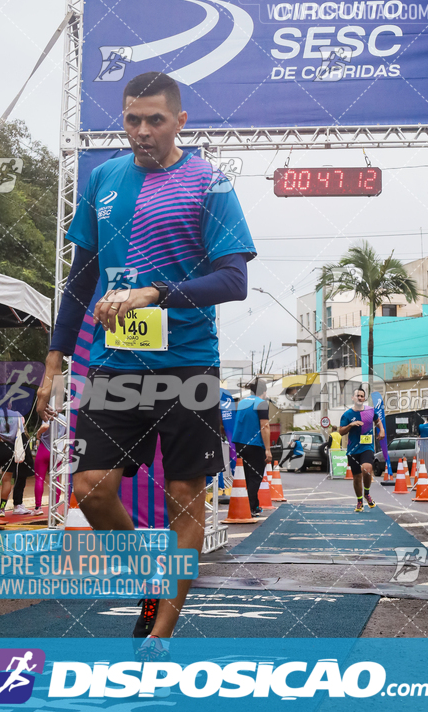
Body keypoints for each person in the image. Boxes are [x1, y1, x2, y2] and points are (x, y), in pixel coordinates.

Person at [37, 71, 256, 660]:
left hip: (187, 366)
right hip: (115, 367)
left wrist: (154, 292)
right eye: (132, 119)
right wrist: (54, 361)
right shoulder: (104, 177)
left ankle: (159, 637)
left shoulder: (210, 183)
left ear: (180, 121)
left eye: (155, 120)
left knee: (186, 497)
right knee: (89, 488)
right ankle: (152, 576)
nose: (141, 131)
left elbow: (233, 280)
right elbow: (81, 280)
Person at [339, 386, 385, 512]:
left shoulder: (370, 410)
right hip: (353, 450)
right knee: (357, 477)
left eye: (362, 396)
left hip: (367, 446)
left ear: (364, 398)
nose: (359, 397)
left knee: (367, 469)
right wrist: (350, 425)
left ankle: (367, 493)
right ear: (353, 398)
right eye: (357, 395)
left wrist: (381, 429)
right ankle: (359, 501)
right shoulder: (347, 414)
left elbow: (378, 420)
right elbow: (341, 431)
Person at [232, 379, 272, 516]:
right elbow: (265, 426)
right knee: (255, 476)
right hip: (254, 444)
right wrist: (268, 449)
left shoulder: (242, 402)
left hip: (239, 443)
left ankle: (254, 506)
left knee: (247, 476)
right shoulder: (262, 403)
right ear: (264, 391)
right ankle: (249, 507)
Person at [33, 415, 66, 515]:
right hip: (57, 451)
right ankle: (55, 508)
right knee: (56, 479)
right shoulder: (64, 418)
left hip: (44, 449)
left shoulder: (47, 415)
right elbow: (69, 435)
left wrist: (38, 434)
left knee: (39, 479)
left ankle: (38, 507)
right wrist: (63, 449)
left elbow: (45, 427)